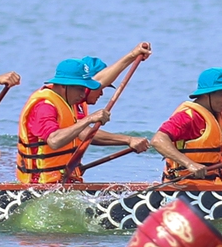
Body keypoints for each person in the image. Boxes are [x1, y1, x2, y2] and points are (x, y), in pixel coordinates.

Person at [16, 46, 152, 184]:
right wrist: (91, 120)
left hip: (61, 182)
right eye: (81, 88)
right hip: (38, 184)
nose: (83, 93)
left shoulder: (69, 98)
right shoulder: (45, 106)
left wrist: (133, 55)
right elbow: (54, 141)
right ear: (64, 85)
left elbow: (100, 81)